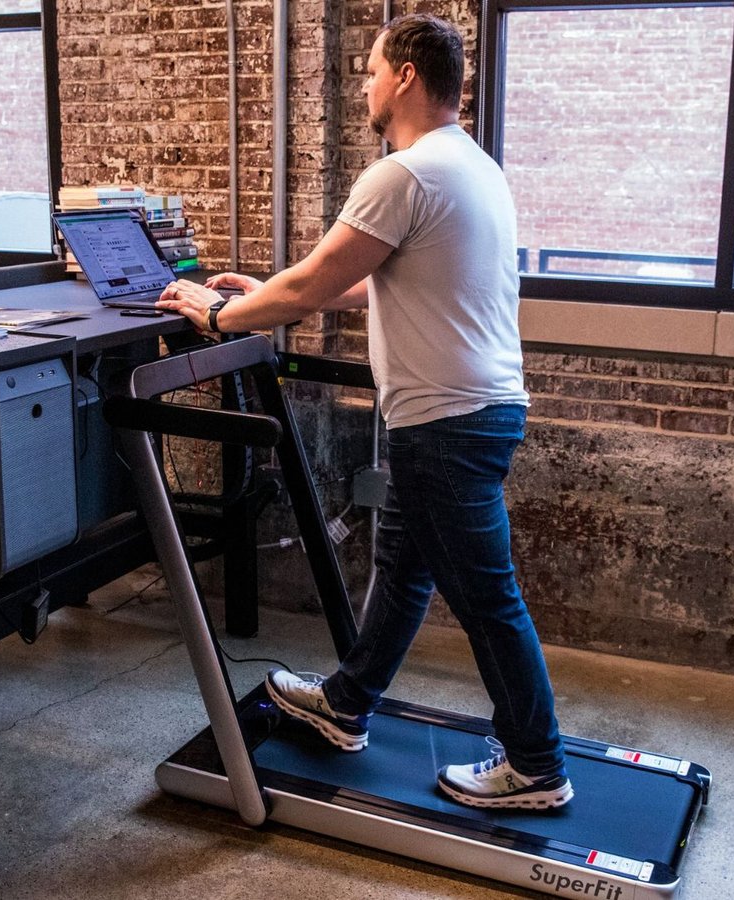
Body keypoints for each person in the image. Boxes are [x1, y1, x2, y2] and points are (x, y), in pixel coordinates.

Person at [154, 13, 570, 811]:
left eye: (373, 71)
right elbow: (364, 276)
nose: (367, 86)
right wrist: (262, 295)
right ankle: (346, 705)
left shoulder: (404, 173)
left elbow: (311, 285)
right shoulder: (471, 166)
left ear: (407, 75)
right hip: (458, 416)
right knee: (404, 569)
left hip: (448, 423)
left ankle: (538, 767)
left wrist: (215, 314)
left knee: (487, 598)